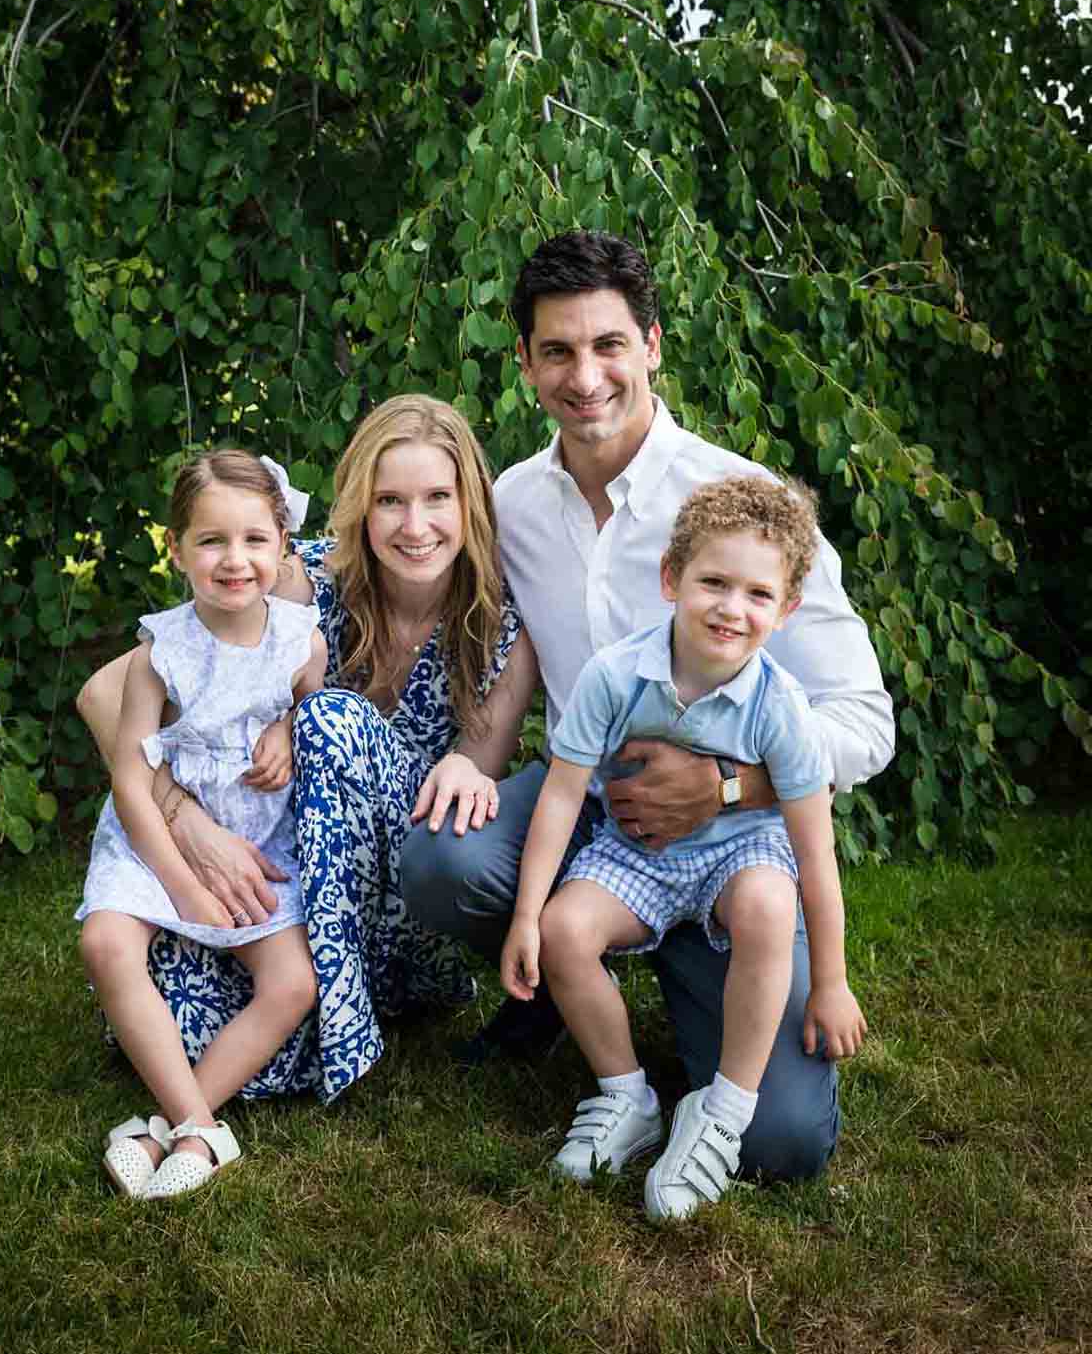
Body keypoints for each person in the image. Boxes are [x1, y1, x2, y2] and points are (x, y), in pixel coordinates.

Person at [400, 231, 894, 1188]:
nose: (585, 377)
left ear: (653, 345)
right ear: (526, 364)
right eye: (558, 351)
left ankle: (694, 986)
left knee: (781, 1145)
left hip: (737, 832)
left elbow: (864, 719)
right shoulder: (514, 504)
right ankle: (563, 985)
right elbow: (499, 640)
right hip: (590, 800)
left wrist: (724, 785)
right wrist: (471, 751)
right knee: (441, 854)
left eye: (609, 345)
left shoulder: (740, 509)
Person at [77, 396, 536, 1107]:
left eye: (437, 498)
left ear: (470, 500)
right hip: (280, 871)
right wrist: (187, 822)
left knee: (327, 718)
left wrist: (305, 721)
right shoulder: (305, 578)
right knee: (178, 1017)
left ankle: (346, 1010)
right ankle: (273, 1021)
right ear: (361, 504)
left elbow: (469, 784)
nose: (415, 527)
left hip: (400, 891)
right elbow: (102, 696)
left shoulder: (499, 626)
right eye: (390, 500)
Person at [500, 473, 867, 1216]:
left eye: (758, 595)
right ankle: (626, 1096)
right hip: (637, 851)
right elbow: (564, 793)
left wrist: (830, 981)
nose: (733, 608)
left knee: (768, 899)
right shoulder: (615, 676)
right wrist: (526, 914)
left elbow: (815, 854)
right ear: (672, 579)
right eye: (714, 582)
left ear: (786, 609)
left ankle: (722, 1113)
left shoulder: (781, 707)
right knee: (566, 930)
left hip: (740, 854)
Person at [77, 448, 327, 1198]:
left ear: (282, 545)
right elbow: (130, 774)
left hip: (255, 832)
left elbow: (308, 708)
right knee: (105, 940)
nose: (234, 560)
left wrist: (285, 728)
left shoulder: (300, 639)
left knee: (291, 982)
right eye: (211, 541)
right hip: (157, 836)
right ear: (177, 548)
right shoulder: (163, 652)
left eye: (254, 540)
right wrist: (182, 886)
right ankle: (204, 1129)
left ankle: (171, 1124)